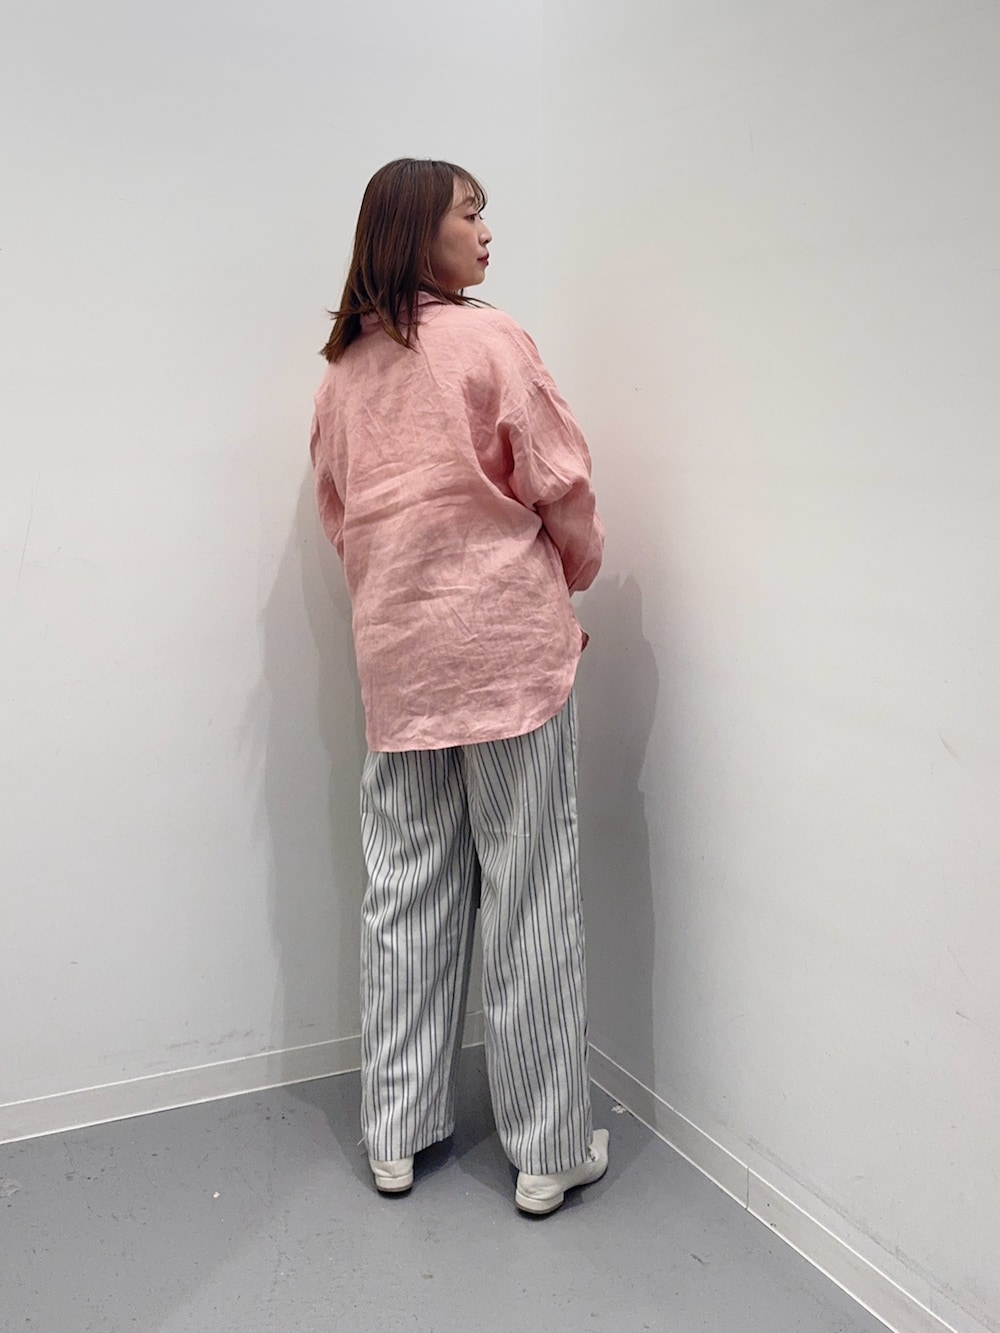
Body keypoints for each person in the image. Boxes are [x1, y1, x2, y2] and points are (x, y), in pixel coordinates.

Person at [309, 158, 607, 1215]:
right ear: (414, 232)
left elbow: (340, 517)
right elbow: (561, 483)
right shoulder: (491, 341)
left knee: (406, 890)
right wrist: (571, 569)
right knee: (529, 893)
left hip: (401, 666)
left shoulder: (344, 375)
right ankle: (547, 1148)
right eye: (468, 214)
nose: (485, 233)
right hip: (508, 655)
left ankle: (395, 1132)